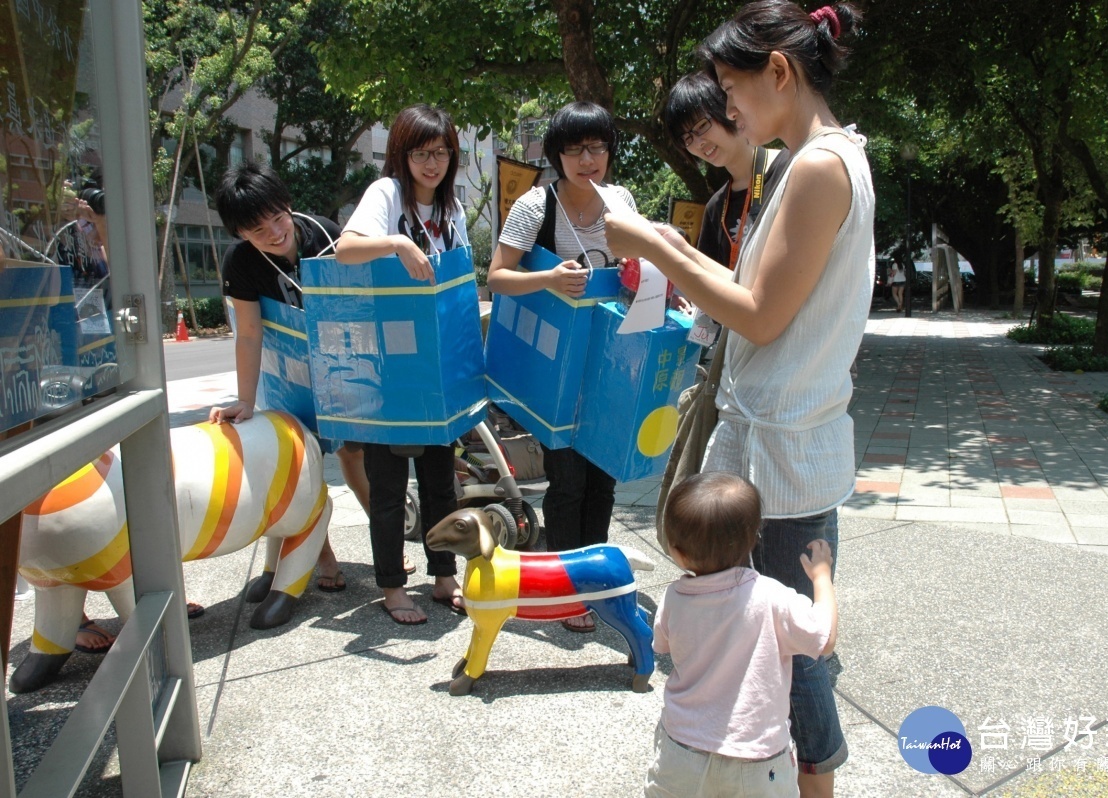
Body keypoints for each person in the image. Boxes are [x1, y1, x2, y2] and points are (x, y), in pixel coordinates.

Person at [605, 3, 870, 793]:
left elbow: (758, 314)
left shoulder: (820, 167)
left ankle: (813, 784)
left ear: (779, 73)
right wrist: (679, 246)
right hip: (774, 445)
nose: (728, 109)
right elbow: (751, 294)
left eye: (732, 89)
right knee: (770, 643)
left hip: (784, 454)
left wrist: (654, 245)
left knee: (799, 663)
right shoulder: (806, 163)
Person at [487, 101, 638, 633]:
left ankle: (597, 585)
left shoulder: (621, 201)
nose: (587, 158)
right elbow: (497, 276)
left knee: (603, 480)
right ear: (556, 154)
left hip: (613, 361)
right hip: (557, 367)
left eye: (597, 147)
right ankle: (567, 593)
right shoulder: (535, 204)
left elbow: (636, 266)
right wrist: (549, 278)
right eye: (574, 148)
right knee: (568, 480)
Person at [209, 161, 383, 592]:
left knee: (355, 454)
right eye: (256, 230)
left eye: (276, 218)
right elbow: (249, 334)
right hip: (287, 373)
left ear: (287, 205)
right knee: (301, 463)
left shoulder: (325, 234)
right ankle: (322, 559)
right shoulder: (241, 262)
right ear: (240, 235)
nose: (273, 233)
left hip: (345, 363)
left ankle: (388, 548)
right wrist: (245, 401)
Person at [336, 104, 468, 625]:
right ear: (402, 154)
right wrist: (396, 242)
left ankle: (443, 576)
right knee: (388, 485)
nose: (431, 164)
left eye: (439, 153)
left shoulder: (452, 209)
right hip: (387, 368)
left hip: (436, 365)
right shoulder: (386, 195)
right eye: (420, 153)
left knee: (441, 480)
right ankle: (391, 586)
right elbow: (346, 250)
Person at [647, 472, 836, 798]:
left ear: (678, 553)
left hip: (681, 751)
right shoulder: (771, 596)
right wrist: (821, 577)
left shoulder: (674, 598)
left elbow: (662, 646)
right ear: (753, 540)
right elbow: (824, 638)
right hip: (757, 760)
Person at [664, 71, 788, 270]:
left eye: (702, 126)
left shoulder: (790, 169)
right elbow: (707, 279)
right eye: (687, 139)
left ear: (729, 109)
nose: (698, 143)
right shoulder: (716, 207)